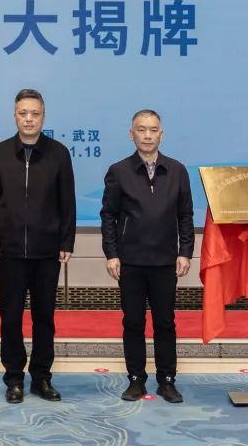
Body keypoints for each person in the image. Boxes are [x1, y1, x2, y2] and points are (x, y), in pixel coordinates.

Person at [0, 88, 76, 403]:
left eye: (35, 114)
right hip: (9, 251)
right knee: (10, 318)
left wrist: (66, 240)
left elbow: (67, 201)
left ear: (43, 117)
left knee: (44, 318)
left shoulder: (58, 153)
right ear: (15, 116)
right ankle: (13, 379)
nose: (29, 119)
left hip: (47, 251)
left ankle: (41, 378)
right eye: (23, 113)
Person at [100, 109, 194, 404]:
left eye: (153, 130)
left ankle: (167, 380)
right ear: (132, 134)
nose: (147, 135)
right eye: (141, 130)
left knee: (165, 322)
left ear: (161, 135)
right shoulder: (119, 171)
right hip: (130, 261)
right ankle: (136, 379)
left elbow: (185, 215)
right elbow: (108, 215)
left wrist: (185, 252)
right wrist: (111, 253)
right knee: (133, 322)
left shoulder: (177, 170)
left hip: (166, 261)